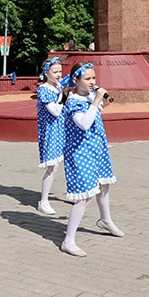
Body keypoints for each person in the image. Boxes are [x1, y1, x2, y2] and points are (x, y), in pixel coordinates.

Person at [61, 61, 122, 256]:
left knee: (104, 185)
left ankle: (106, 220)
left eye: (93, 78)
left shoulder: (88, 98)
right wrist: (96, 101)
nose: (92, 82)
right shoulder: (73, 102)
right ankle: (68, 240)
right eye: (87, 78)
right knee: (85, 195)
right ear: (75, 80)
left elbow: (95, 123)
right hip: (80, 153)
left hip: (96, 149)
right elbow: (85, 124)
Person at [36, 55, 67, 213]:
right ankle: (44, 201)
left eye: (60, 71)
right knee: (52, 166)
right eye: (55, 71)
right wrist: (64, 97)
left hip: (62, 129)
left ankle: (74, 192)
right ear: (46, 73)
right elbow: (54, 111)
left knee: (68, 161)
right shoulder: (43, 89)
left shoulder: (58, 87)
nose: (58, 74)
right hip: (51, 130)